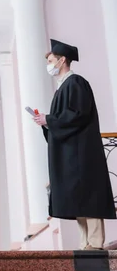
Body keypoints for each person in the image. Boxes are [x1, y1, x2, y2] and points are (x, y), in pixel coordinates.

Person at [33, 39, 115, 250]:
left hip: (81, 151)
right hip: (70, 152)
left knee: (88, 194)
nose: (48, 65)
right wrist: (46, 122)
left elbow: (78, 115)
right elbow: (64, 118)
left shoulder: (76, 83)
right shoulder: (62, 87)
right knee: (77, 197)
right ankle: (85, 242)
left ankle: (95, 242)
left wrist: (49, 120)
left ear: (62, 60)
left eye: (51, 60)